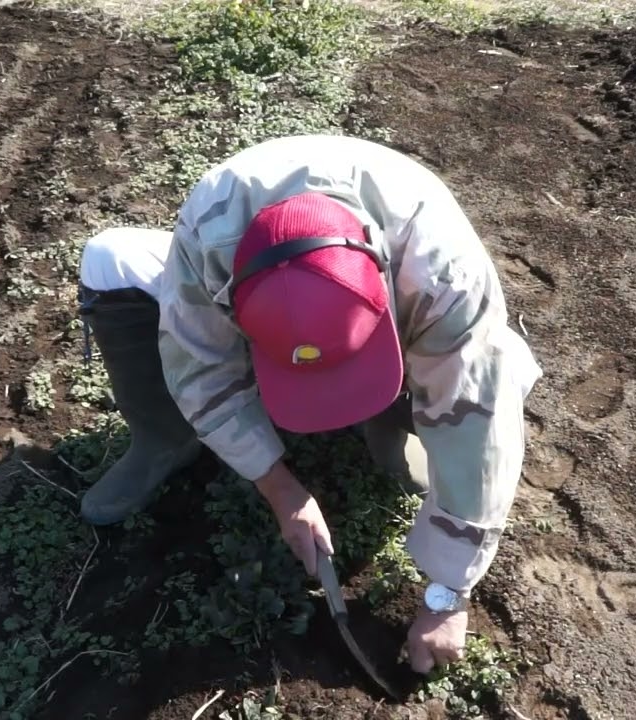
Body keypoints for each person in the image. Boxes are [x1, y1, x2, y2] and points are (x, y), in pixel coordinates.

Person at [75, 134, 542, 675]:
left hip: (413, 307)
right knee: (108, 260)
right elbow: (199, 368)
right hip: (243, 282)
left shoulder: (441, 272)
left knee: (494, 374)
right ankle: (165, 441)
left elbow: (479, 423)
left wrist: (448, 593)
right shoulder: (210, 238)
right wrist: (281, 490)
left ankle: (388, 427)